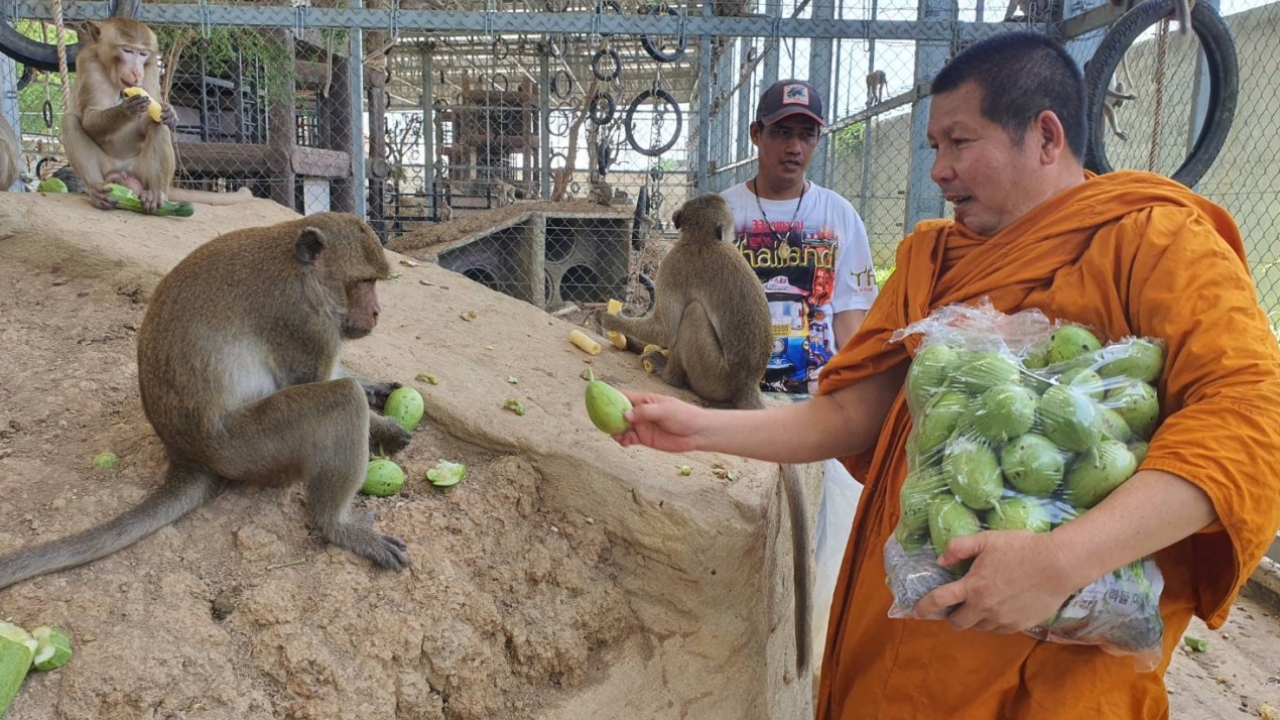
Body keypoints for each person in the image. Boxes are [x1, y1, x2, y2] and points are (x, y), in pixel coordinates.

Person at [613, 31, 1280, 720]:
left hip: (1047, 677)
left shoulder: (1158, 243)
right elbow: (848, 414)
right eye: (934, 147)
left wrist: (1062, 561)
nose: (937, 170)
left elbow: (1253, 422)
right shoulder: (935, 256)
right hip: (893, 642)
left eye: (959, 143)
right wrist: (698, 427)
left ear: (1045, 137)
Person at [720, 79, 879, 396]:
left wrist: (857, 389)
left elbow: (850, 313)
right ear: (756, 134)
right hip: (735, 394)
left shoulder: (838, 214)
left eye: (806, 135)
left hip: (814, 397)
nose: (795, 147)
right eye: (782, 133)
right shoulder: (724, 211)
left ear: (818, 140)